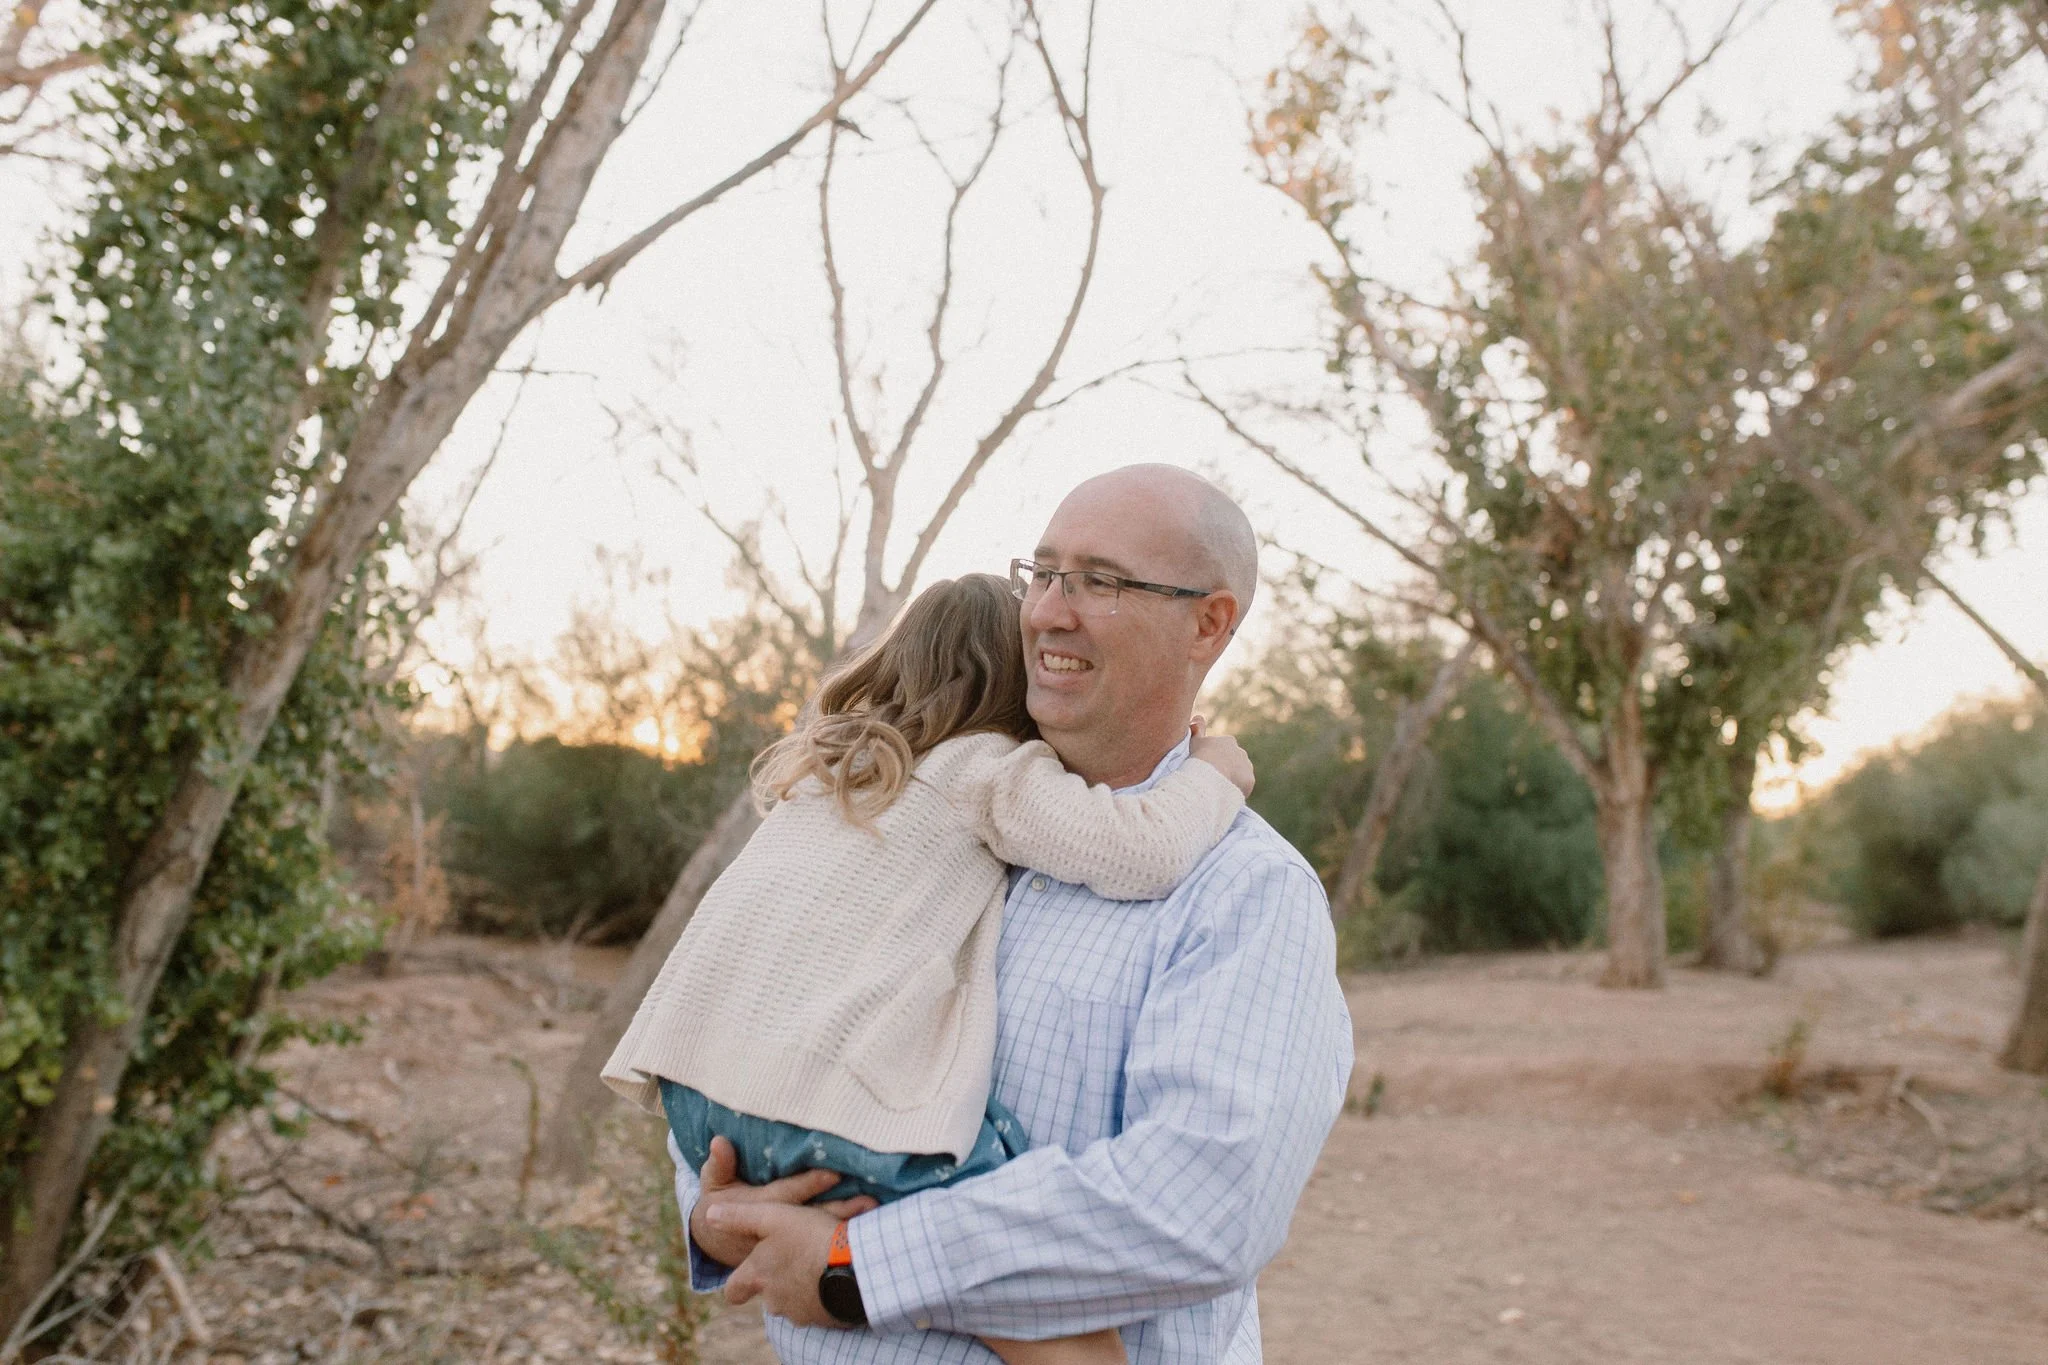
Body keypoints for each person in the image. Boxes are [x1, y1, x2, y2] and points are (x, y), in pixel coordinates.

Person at [679, 465, 1356, 1365]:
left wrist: (859, 1266)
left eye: (1101, 581)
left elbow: (1204, 1202)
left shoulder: (1247, 892)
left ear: (1209, 622)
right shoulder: (901, 824)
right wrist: (711, 1204)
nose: (1047, 611)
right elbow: (742, 1038)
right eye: (1043, 574)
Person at [603, 570, 1259, 1365]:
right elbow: (1139, 848)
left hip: (704, 1113)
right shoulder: (979, 766)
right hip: (837, 1113)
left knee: (890, 1254)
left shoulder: (820, 776)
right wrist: (1215, 772)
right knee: (1028, 1264)